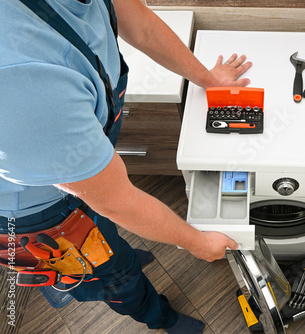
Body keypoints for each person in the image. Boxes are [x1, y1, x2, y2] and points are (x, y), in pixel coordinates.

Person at [0, 0, 252, 333]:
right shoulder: (21, 81)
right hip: (38, 216)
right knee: (115, 275)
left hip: (78, 171)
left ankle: (117, 251)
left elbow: (142, 26)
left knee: (108, 230)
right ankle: (159, 316)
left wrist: (206, 78)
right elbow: (118, 202)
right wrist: (198, 243)